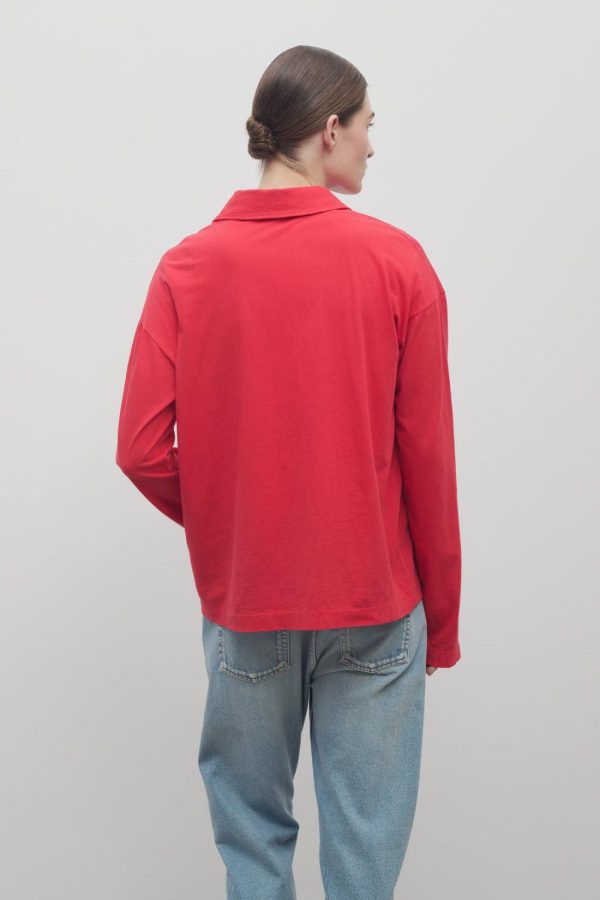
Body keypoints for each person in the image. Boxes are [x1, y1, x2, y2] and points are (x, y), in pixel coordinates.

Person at [116, 44, 462, 900]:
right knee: (364, 859)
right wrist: (443, 624)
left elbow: (141, 449)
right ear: (330, 129)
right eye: (369, 125)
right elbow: (427, 457)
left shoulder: (188, 267)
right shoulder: (399, 264)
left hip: (250, 602)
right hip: (376, 605)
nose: (374, 145)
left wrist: (235, 520)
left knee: (252, 839)